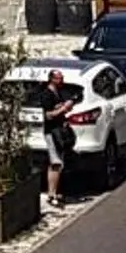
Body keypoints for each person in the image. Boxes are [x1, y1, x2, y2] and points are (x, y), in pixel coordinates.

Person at [38, 69, 78, 213]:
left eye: (62, 78)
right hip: (51, 132)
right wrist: (63, 109)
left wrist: (66, 107)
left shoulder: (59, 93)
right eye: (59, 78)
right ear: (52, 79)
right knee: (56, 162)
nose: (61, 80)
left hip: (60, 131)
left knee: (58, 162)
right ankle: (51, 194)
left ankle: (54, 191)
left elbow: (60, 110)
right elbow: (48, 115)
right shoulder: (46, 95)